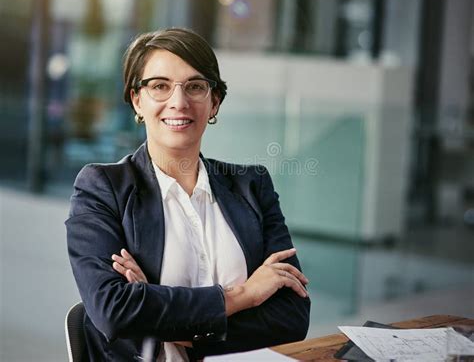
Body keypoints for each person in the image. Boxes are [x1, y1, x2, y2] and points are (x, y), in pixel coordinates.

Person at [65, 28, 311, 361]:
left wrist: (161, 311)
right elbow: (114, 310)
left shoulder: (252, 186)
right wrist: (244, 296)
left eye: (195, 87)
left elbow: (292, 317)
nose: (178, 102)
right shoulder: (102, 188)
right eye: (160, 86)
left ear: (215, 102)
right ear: (137, 100)